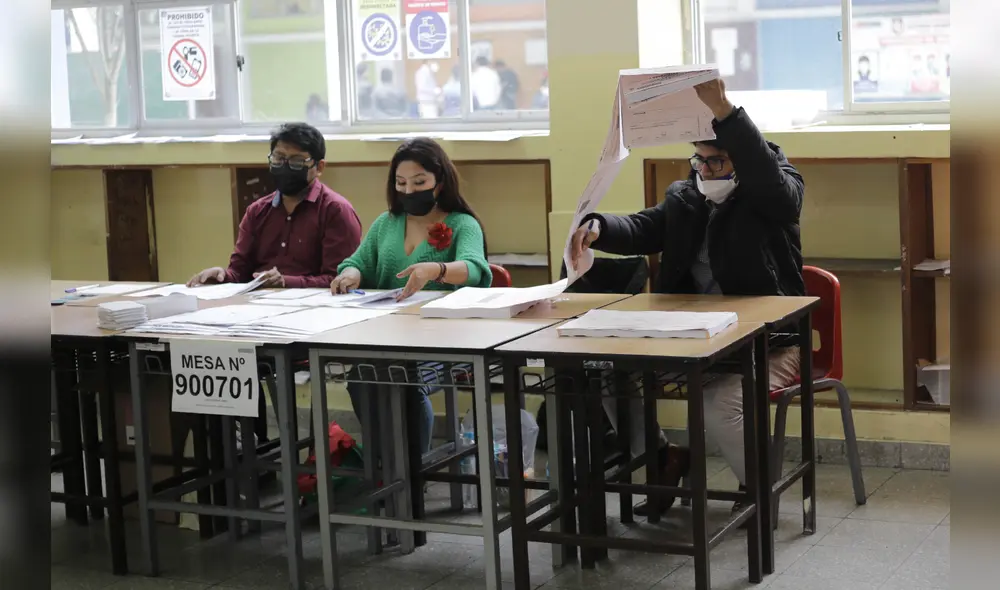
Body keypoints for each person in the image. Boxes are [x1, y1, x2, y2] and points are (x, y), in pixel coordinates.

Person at [568, 78, 805, 519]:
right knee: (608, 375)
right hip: (694, 339)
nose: (706, 171)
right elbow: (644, 227)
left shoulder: (774, 194)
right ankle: (661, 459)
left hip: (767, 344)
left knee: (720, 405)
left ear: (743, 159)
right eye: (700, 161)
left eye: (717, 162)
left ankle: (759, 491)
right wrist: (598, 227)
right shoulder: (686, 196)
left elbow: (771, 183)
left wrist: (724, 109)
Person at [188, 122, 363, 441]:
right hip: (254, 323)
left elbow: (340, 281)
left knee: (245, 354)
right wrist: (220, 276)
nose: (285, 167)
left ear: (319, 166)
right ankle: (246, 447)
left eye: (296, 161)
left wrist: (289, 282)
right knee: (210, 351)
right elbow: (239, 273)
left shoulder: (336, 211)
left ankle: (262, 450)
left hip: (312, 327)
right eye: (279, 159)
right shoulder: (257, 212)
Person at [331, 137, 492, 452]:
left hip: (442, 341)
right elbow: (357, 262)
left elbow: (475, 269)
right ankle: (385, 463)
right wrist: (351, 273)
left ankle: (413, 468)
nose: (408, 191)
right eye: (401, 183)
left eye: (419, 182)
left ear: (439, 182)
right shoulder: (386, 223)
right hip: (387, 337)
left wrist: (437, 270)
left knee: (405, 380)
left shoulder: (462, 224)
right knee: (362, 378)